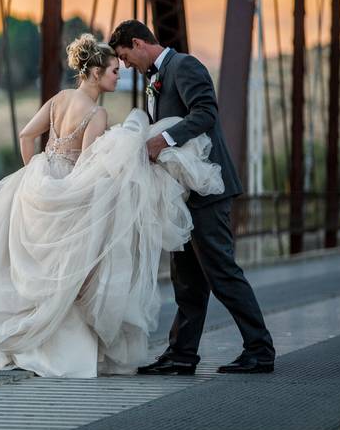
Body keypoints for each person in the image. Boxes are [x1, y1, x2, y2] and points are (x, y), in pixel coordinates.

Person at [0, 33, 224, 378]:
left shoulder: (59, 99)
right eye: (113, 70)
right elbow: (90, 166)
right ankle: (49, 340)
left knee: (24, 265)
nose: (119, 75)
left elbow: (26, 135)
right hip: (70, 190)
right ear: (96, 73)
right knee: (68, 271)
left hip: (38, 183)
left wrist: (33, 171)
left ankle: (0, 332)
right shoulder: (96, 115)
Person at [109, 20, 275, 375]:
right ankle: (182, 355)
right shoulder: (158, 76)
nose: (125, 66)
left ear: (138, 43)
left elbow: (205, 112)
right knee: (187, 279)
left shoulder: (184, 65)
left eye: (125, 57)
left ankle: (260, 350)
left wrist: (162, 141)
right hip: (181, 192)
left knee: (221, 271)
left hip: (207, 187)